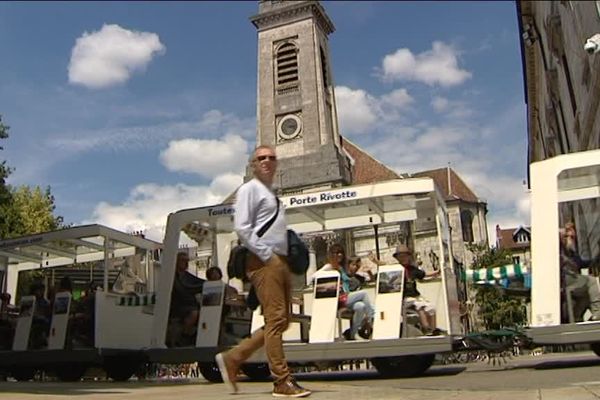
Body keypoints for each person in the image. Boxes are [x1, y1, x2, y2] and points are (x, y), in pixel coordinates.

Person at [215, 145, 311, 398]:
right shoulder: (249, 190)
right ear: (254, 165)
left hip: (279, 261)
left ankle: (234, 357)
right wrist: (268, 256)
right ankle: (281, 381)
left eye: (271, 157)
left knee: (281, 320)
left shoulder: (271, 194)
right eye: (261, 158)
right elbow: (243, 228)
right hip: (263, 260)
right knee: (277, 320)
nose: (267, 161)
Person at [371, 245, 440, 335]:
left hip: (415, 296)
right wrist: (376, 261)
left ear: (408, 257)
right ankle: (426, 328)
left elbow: (423, 274)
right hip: (404, 298)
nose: (403, 258)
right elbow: (385, 265)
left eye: (405, 256)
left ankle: (433, 329)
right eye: (401, 256)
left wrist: (436, 272)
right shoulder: (396, 268)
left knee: (431, 308)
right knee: (420, 306)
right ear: (397, 258)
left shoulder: (412, 269)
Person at [313, 244, 375, 340]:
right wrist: (330, 276)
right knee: (364, 294)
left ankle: (353, 333)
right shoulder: (329, 266)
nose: (338, 255)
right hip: (339, 298)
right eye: (336, 253)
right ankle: (372, 319)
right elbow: (313, 276)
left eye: (340, 253)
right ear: (331, 255)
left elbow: (356, 277)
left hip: (346, 297)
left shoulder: (341, 268)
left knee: (360, 306)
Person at [560, 222, 600, 321]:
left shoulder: (572, 253)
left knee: (588, 293)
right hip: (565, 280)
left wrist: (597, 258)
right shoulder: (560, 249)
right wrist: (563, 232)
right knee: (591, 281)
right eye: (568, 236)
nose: (570, 239)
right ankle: (598, 311)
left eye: (573, 237)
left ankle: (578, 317)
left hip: (573, 280)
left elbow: (583, 263)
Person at [170, 252, 205, 338]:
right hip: (177, 306)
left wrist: (215, 284)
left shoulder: (187, 275)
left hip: (189, 304)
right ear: (176, 261)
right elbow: (184, 288)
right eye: (183, 260)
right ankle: (184, 335)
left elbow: (200, 281)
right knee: (194, 312)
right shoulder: (172, 276)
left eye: (187, 261)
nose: (186, 263)